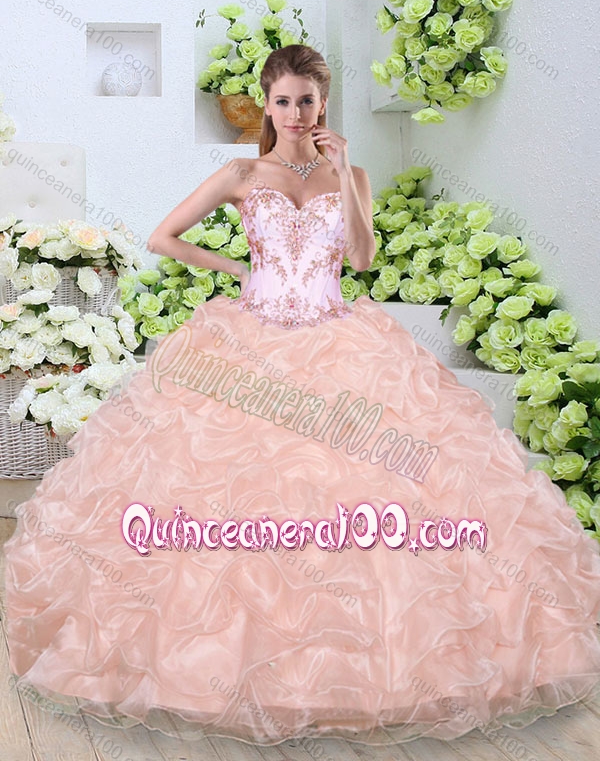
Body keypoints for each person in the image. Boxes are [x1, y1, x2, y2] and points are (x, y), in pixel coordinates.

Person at [3, 44, 600, 748]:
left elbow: (363, 259)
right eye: (283, 101)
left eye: (306, 101)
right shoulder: (241, 174)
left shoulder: (352, 174)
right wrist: (235, 268)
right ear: (267, 103)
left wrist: (344, 173)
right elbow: (164, 238)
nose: (294, 113)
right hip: (250, 341)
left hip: (337, 337)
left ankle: (368, 668)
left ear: (323, 103)